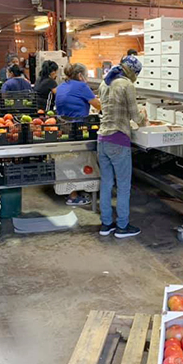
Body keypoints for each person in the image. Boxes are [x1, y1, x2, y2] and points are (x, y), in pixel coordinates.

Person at [97, 55, 147, 238]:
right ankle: (123, 227)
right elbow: (135, 116)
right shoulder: (127, 85)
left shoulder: (105, 82)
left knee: (106, 183)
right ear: (133, 72)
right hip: (118, 139)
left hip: (102, 139)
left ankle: (106, 224)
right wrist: (144, 116)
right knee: (124, 186)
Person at [55, 63, 101, 206]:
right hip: (79, 130)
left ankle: (73, 191)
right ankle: (74, 196)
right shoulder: (81, 86)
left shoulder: (61, 86)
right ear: (81, 75)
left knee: (67, 163)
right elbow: (98, 106)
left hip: (63, 128)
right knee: (80, 162)